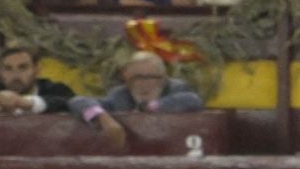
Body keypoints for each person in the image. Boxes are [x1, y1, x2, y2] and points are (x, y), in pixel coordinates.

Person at [68, 51, 204, 148]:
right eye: (137, 78)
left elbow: (192, 100)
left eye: (151, 77)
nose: (144, 83)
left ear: (163, 79)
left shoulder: (176, 88)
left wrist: (151, 107)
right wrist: (102, 118)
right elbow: (77, 101)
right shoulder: (120, 96)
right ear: (126, 81)